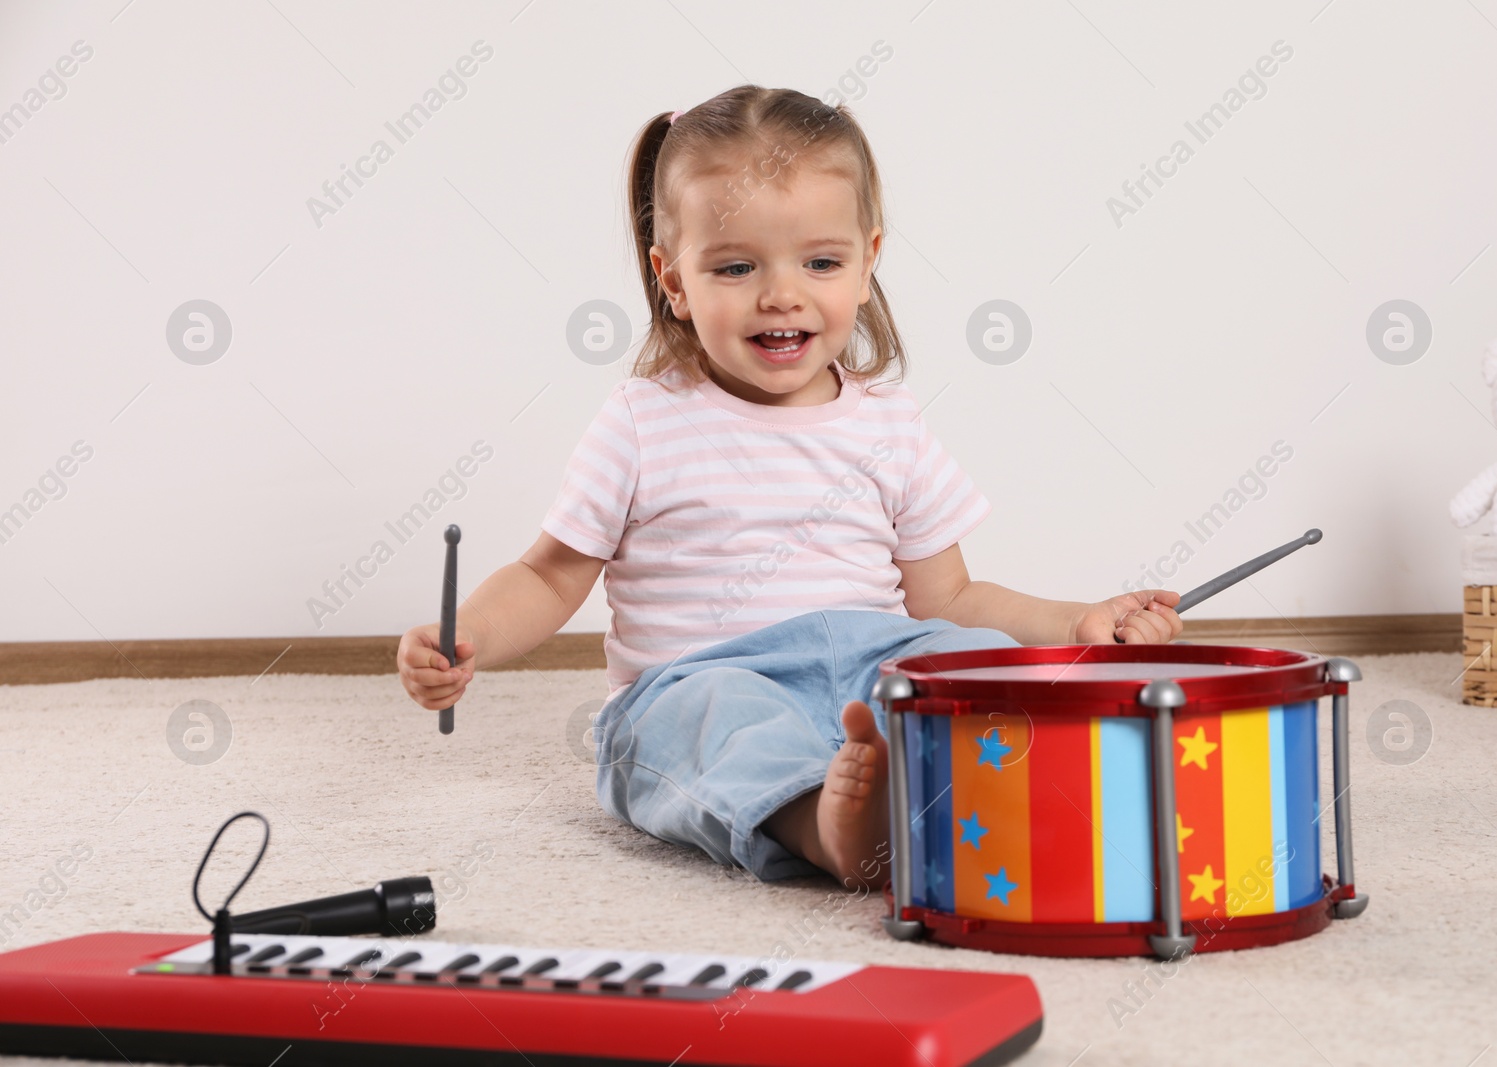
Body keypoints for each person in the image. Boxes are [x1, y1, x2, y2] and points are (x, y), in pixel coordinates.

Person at [399, 85, 1182, 892]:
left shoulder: (889, 424)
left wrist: (1073, 624)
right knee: (720, 724)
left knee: (968, 662)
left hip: (870, 666)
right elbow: (548, 574)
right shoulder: (643, 420)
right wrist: (470, 637)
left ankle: (1016, 797)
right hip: (697, 679)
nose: (782, 293)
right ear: (673, 280)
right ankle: (823, 824)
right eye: (736, 267)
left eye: (820, 262)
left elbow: (949, 595)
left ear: (868, 261)